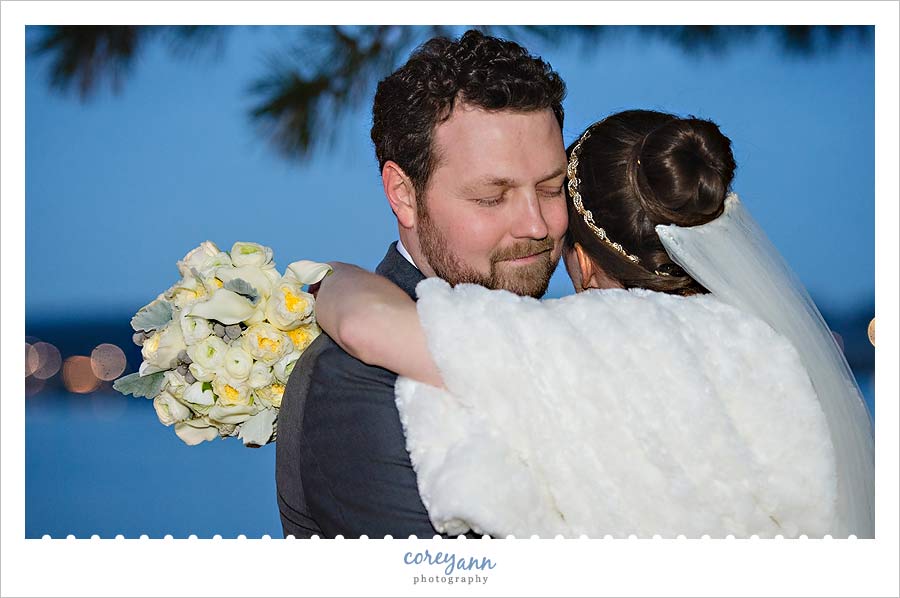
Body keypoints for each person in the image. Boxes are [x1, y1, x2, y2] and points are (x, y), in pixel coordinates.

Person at [313, 109, 875, 538]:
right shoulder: (771, 350)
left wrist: (335, 276)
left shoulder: (581, 342)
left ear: (582, 258)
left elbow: (367, 326)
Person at [275, 29, 570, 538]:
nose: (537, 225)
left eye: (550, 188)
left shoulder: (560, 334)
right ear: (403, 195)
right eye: (491, 197)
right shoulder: (359, 382)